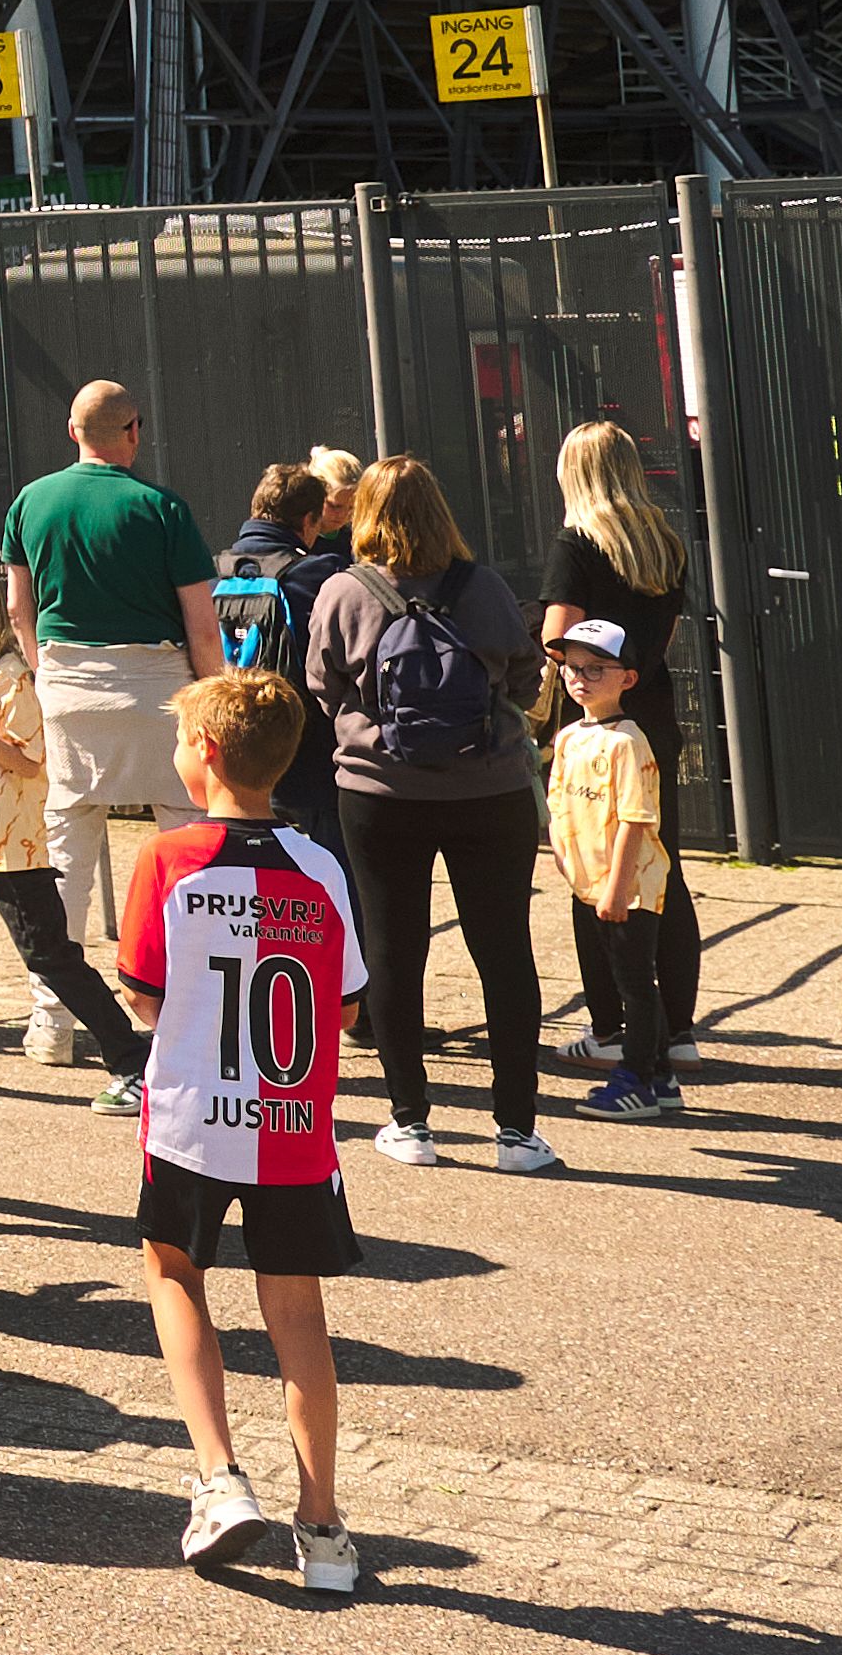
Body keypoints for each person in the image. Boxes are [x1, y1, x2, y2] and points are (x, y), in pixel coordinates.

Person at [116, 664, 369, 1594]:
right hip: (292, 1125)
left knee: (174, 1275)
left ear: (207, 751)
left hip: (192, 1119)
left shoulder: (168, 858)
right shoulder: (320, 865)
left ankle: (220, 1477)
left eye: (182, 739)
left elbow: (143, 993)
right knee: (298, 1314)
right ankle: (324, 1526)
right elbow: (346, 1007)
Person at [300, 451, 559, 1174]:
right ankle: (517, 1131)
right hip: (490, 789)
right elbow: (524, 675)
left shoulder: (344, 591)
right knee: (504, 951)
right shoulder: (485, 587)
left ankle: (410, 1121)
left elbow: (322, 685)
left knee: (393, 948)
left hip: (380, 792)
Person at [0, 381, 224, 972]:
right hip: (161, 692)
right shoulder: (163, 507)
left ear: (72, 431)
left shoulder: (30, 501)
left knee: (66, 856)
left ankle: (53, 1009)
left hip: (67, 687)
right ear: (134, 431)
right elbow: (203, 627)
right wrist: (214, 697)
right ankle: (185, 986)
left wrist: (46, 673)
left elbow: (19, 609)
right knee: (187, 841)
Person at [0, 554, 141, 1087]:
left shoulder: (12, 677)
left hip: (10, 841)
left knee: (50, 956)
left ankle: (129, 1058)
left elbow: (29, 762)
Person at [547, 419, 707, 1079]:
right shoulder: (664, 542)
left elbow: (558, 639)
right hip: (651, 712)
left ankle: (611, 1026)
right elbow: (660, 641)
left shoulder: (576, 544)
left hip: (595, 728)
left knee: (594, 868)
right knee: (659, 864)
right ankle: (679, 1029)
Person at [543, 615, 686, 1120]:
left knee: (634, 985)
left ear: (627, 678)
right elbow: (558, 807)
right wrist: (569, 865)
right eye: (572, 667)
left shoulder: (627, 742)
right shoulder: (568, 737)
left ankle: (635, 1080)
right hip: (589, 884)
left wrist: (616, 888)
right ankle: (661, 1076)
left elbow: (635, 821)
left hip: (629, 887)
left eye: (596, 669)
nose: (580, 677)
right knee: (621, 977)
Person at [212, 458, 356, 862]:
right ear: (309, 521)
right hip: (309, 761)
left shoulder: (215, 576)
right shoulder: (318, 575)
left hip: (234, 754)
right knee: (334, 874)